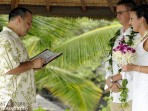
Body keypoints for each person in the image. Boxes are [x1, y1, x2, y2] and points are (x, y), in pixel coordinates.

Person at [0, 7, 46, 111]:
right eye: (29, 23)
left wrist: (34, 66)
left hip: (19, 101)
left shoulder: (14, 39)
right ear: (19, 19)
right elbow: (10, 69)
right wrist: (32, 64)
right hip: (10, 102)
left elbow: (18, 68)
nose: (30, 27)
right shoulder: (6, 39)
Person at [104, 0, 140, 111]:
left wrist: (117, 78)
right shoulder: (116, 37)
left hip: (132, 93)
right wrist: (109, 81)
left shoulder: (139, 36)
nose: (117, 15)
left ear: (130, 12)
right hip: (115, 94)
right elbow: (109, 62)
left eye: (120, 12)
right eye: (116, 13)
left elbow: (139, 64)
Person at [122, 4, 148, 111]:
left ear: (141, 19)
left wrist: (133, 67)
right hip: (139, 87)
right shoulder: (140, 39)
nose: (129, 22)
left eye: (132, 19)